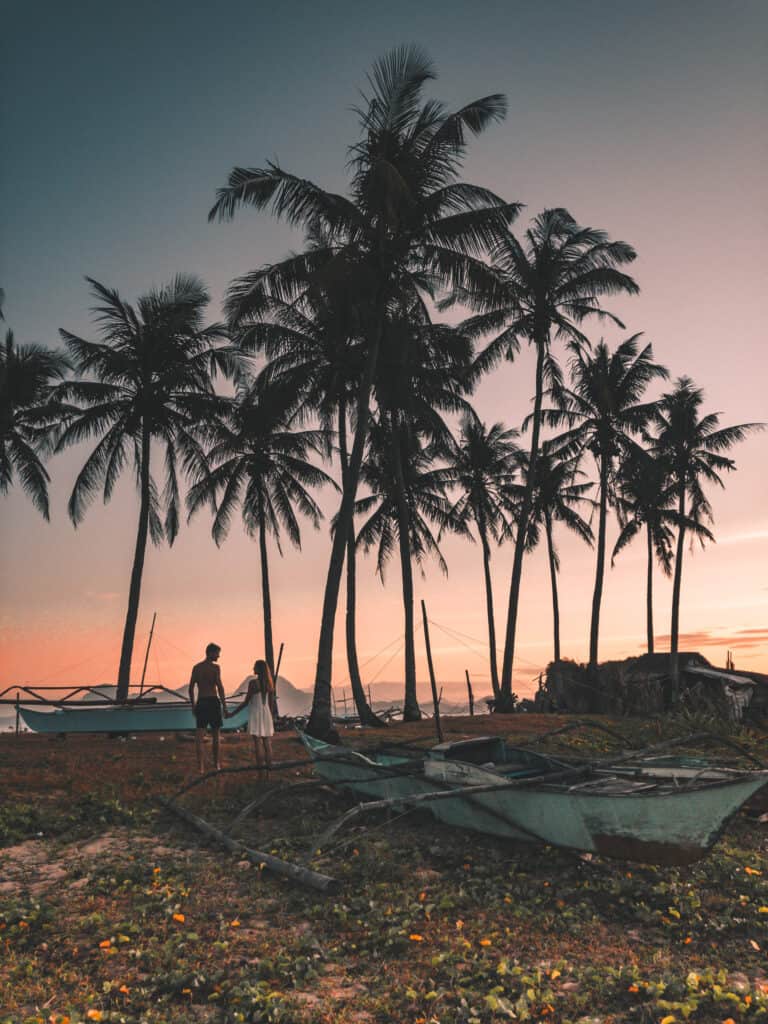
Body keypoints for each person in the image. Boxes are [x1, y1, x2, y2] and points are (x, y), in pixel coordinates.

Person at [229, 659, 275, 775]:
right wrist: (271, 716)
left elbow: (246, 702)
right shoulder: (269, 683)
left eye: (255, 666)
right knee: (267, 743)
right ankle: (269, 772)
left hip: (256, 713)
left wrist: (232, 714)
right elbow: (270, 703)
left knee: (257, 743)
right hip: (266, 712)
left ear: (259, 669)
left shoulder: (253, 683)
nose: (253, 668)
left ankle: (260, 773)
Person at [189, 643, 226, 773]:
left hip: (202, 702)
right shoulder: (216, 668)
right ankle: (216, 764)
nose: (218, 656)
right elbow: (220, 688)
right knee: (216, 735)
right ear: (210, 653)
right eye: (217, 653)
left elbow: (191, 688)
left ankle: (201, 768)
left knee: (199, 737)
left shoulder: (196, 668)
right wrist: (224, 706)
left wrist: (193, 705)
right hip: (213, 702)